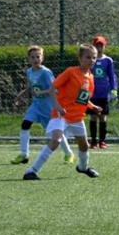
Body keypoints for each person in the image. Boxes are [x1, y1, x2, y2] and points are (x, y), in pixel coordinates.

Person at [23, 44, 102, 180]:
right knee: (56, 140)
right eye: (88, 57)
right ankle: (31, 171)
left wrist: (92, 106)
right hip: (61, 115)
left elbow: (82, 98)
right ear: (80, 58)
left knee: (84, 145)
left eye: (94, 58)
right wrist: (57, 106)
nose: (91, 60)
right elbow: (52, 88)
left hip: (77, 117)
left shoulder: (90, 77)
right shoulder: (71, 72)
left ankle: (83, 167)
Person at [11, 46, 76, 165]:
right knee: (25, 124)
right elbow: (31, 86)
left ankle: (68, 153)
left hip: (48, 107)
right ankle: (24, 155)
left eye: (38, 57)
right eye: (32, 57)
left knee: (56, 132)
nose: (35, 59)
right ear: (28, 59)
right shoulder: (29, 71)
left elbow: (55, 89)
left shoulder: (46, 72)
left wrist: (41, 92)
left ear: (42, 58)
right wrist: (21, 94)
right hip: (36, 106)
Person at [87, 35, 117, 149]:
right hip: (92, 93)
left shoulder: (108, 60)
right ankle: (93, 141)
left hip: (104, 93)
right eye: (97, 46)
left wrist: (113, 89)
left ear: (105, 47)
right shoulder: (90, 60)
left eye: (101, 46)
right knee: (93, 117)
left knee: (103, 117)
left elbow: (112, 75)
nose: (99, 48)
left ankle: (102, 141)